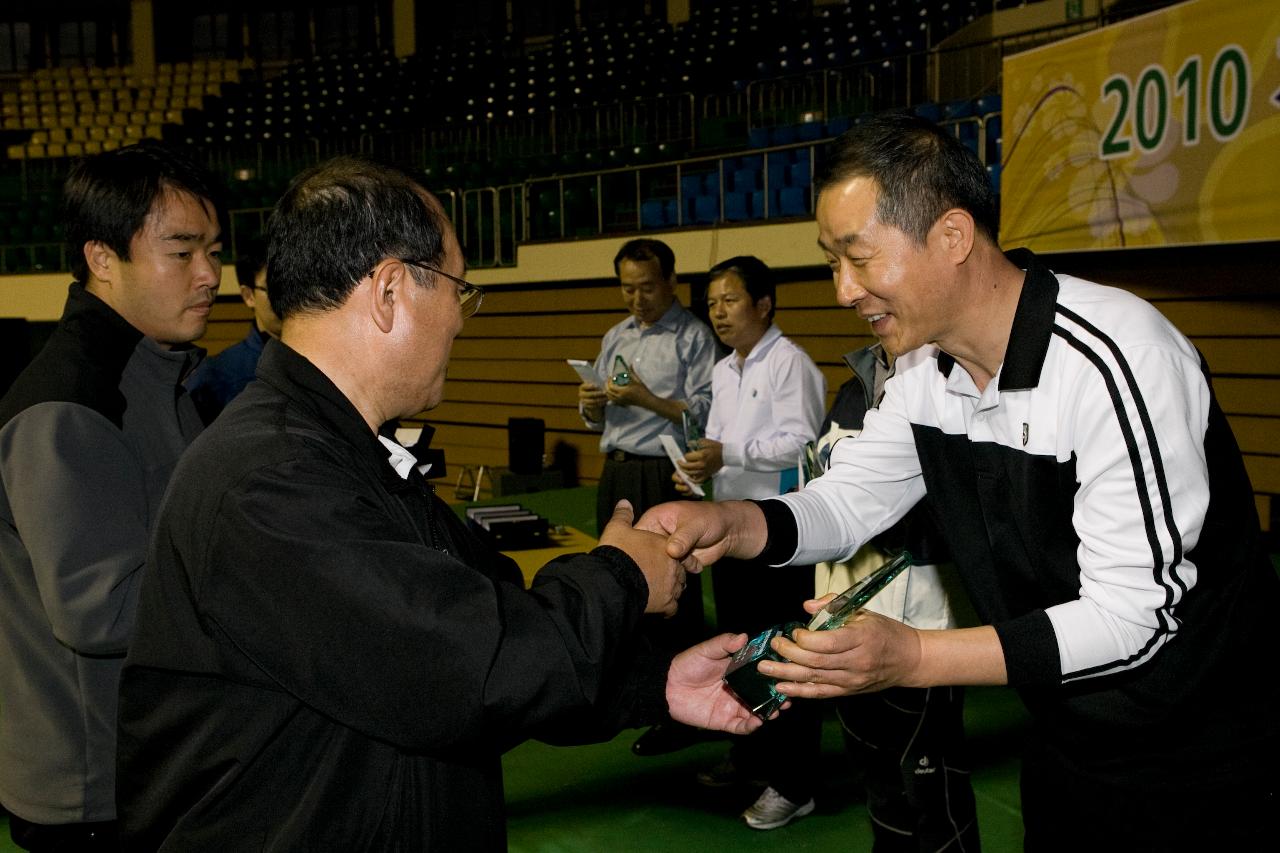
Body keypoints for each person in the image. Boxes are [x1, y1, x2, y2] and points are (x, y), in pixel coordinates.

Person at [638, 112, 1280, 850]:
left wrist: (912, 656)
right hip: (1068, 736)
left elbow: (1132, 618)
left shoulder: (1116, 360)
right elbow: (849, 499)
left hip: (1208, 755)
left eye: (859, 258)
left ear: (951, 236)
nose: (843, 289)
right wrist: (739, 524)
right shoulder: (922, 370)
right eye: (830, 262)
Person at [115, 156, 763, 852]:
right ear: (390, 290)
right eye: (458, 288)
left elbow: (494, 617)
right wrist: (622, 573)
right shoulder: (267, 478)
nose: (461, 316)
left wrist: (653, 683)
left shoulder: (341, 451)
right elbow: (473, 666)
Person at [0, 141, 224, 852]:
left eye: (215, 251)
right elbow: (99, 609)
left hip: (157, 765)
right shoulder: (68, 404)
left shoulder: (161, 373)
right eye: (182, 252)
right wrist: (262, 579)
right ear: (102, 258)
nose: (211, 274)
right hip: (95, 793)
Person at [674, 255, 826, 829]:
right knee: (737, 646)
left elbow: (803, 446)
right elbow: (719, 441)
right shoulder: (724, 369)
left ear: (764, 304)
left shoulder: (792, 365)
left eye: (730, 299)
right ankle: (751, 753)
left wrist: (727, 455)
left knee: (784, 653)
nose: (718, 312)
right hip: (728, 527)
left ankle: (795, 783)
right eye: (712, 302)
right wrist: (695, 470)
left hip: (778, 534)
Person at [814, 341, 980, 852]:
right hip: (842, 613)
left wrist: (882, 507)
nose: (852, 289)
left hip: (922, 624)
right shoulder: (852, 386)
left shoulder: (959, 382)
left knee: (929, 786)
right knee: (876, 777)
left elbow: (963, 503)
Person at [578, 237, 719, 755]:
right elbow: (599, 416)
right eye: (627, 288)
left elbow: (703, 414)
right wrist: (591, 404)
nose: (636, 299)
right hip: (615, 473)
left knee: (673, 595)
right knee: (622, 588)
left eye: (646, 288)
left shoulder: (694, 338)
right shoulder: (616, 334)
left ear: (671, 283)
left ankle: (687, 711)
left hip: (663, 474)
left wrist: (644, 397)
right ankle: (641, 696)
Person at [187, 235, 282, 421]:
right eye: (275, 288)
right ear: (249, 296)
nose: (288, 297)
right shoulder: (217, 377)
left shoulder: (327, 361)